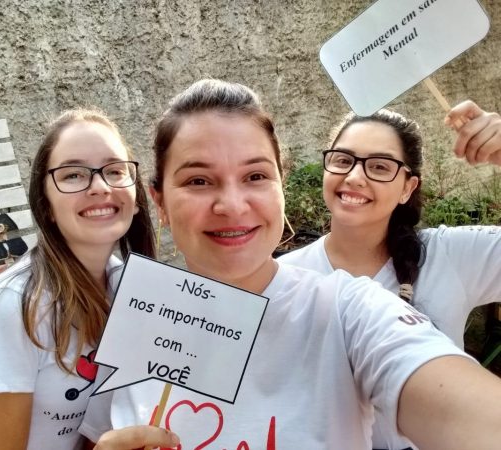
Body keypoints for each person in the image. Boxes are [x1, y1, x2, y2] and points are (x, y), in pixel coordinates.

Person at [80, 79, 501, 450]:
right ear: (159, 202)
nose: (232, 205)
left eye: (255, 176)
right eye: (198, 180)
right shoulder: (135, 315)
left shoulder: (350, 310)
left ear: (281, 184)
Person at [279, 102, 501, 449]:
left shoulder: (449, 255)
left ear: (407, 188)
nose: (355, 176)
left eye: (380, 166)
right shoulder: (285, 278)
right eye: (343, 160)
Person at [0, 108, 156, 450]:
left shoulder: (130, 287)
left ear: (135, 198)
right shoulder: (13, 309)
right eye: (73, 175)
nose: (100, 187)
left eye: (115, 170)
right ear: (45, 204)